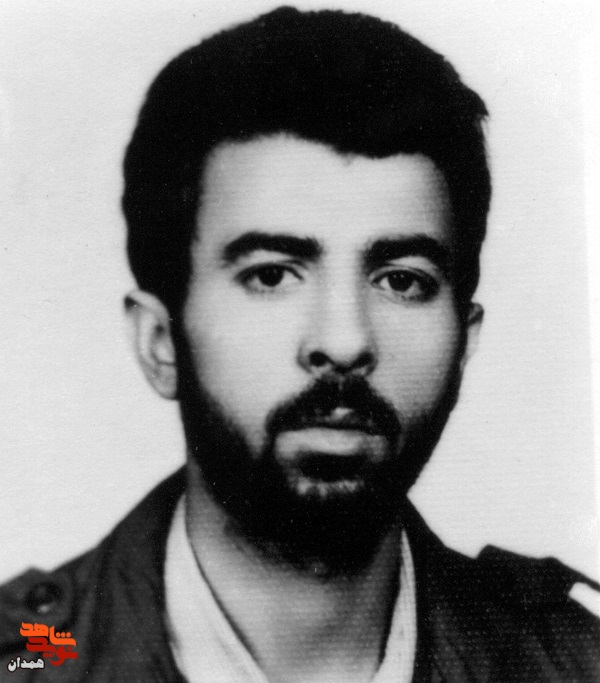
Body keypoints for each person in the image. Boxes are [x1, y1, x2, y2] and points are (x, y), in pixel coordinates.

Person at [1, 6, 598, 681]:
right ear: (161, 341)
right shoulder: (29, 658)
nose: (344, 342)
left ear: (465, 340)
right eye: (272, 276)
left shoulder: (575, 664)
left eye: (401, 281)